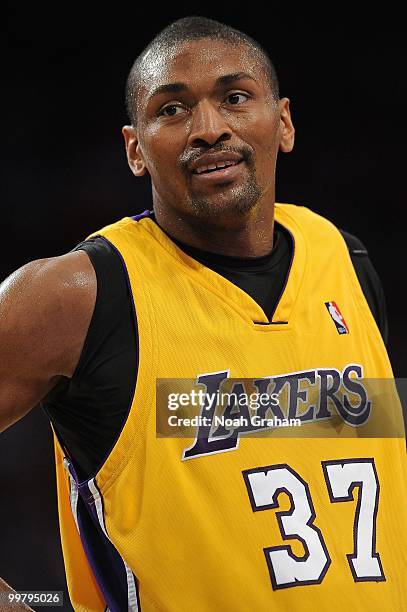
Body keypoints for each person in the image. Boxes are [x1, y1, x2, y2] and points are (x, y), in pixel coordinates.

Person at [0, 15, 406, 612]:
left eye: (235, 97)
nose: (209, 128)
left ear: (284, 122)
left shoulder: (343, 258)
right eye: (172, 109)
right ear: (135, 150)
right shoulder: (76, 294)